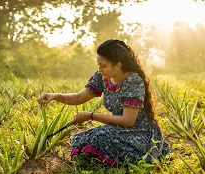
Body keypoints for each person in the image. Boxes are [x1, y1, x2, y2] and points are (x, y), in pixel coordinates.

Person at [37, 39, 170, 167]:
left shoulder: (133, 81)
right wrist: (55, 96)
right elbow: (78, 97)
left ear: (118, 65)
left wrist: (91, 116)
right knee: (81, 138)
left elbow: (128, 121)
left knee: (99, 137)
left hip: (138, 133)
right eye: (98, 64)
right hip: (119, 129)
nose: (100, 69)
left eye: (103, 65)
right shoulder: (103, 77)